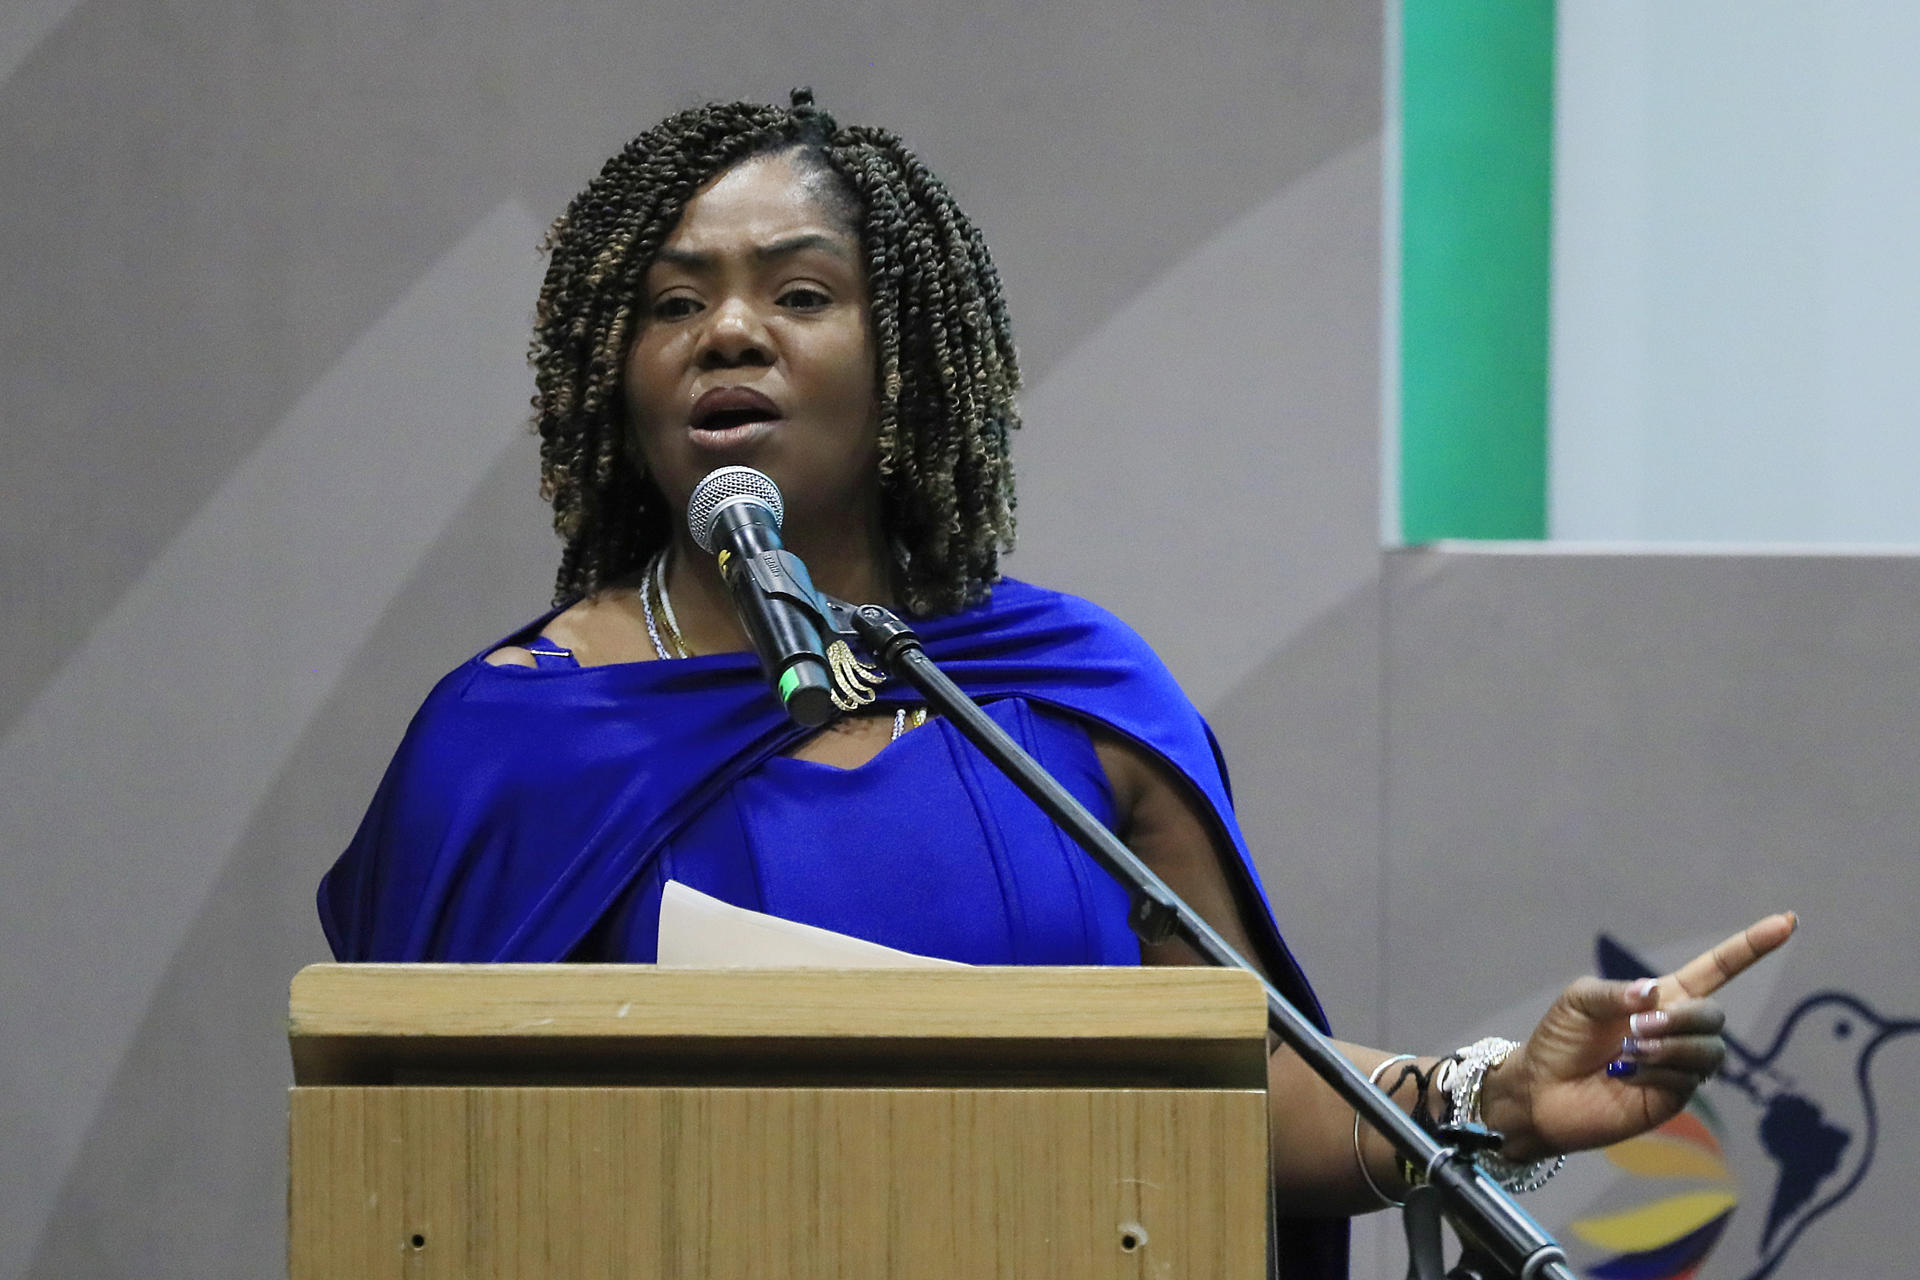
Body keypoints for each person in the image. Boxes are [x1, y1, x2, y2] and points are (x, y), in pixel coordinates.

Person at [318, 92, 1794, 1278]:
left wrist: (1495, 1102)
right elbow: (421, 1179)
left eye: (802, 292)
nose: (730, 332)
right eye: (671, 302)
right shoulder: (512, 737)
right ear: (615, 373)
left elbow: (1229, 1090)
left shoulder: (1066, 692)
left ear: (907, 365)